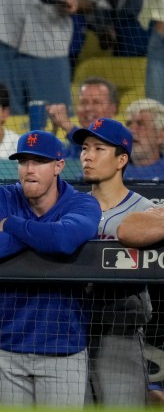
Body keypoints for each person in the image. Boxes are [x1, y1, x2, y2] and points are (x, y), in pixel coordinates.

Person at [0, 130, 102, 406]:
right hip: (6, 347)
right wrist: (39, 238)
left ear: (59, 166)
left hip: (63, 349)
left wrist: (11, 225)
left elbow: (62, 241)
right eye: (23, 161)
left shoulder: (81, 203)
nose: (29, 169)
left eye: (39, 162)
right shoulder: (4, 196)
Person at [75, 117, 153, 406]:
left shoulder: (146, 210)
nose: (87, 156)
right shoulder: (71, 207)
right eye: (84, 148)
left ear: (121, 159)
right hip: (72, 332)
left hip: (120, 333)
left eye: (98, 149)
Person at [47, 78, 119, 158]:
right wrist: (54, 130)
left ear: (113, 109)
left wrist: (69, 126)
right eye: (83, 102)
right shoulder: (69, 150)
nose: (88, 108)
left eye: (96, 102)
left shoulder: (121, 143)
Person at [123, 98, 164, 180]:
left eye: (141, 124)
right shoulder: (110, 171)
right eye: (129, 124)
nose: (132, 130)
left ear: (160, 136)